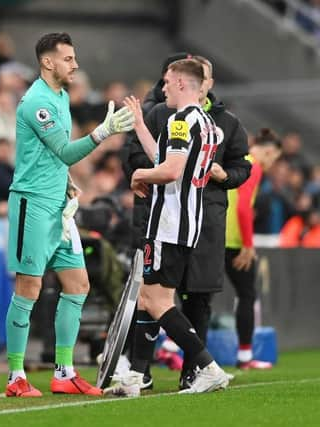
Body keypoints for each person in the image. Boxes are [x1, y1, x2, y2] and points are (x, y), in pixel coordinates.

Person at [4, 32, 134, 398]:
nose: (75, 65)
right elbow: (62, 149)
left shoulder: (61, 96)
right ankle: (16, 376)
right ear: (48, 62)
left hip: (58, 206)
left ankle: (64, 372)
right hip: (32, 204)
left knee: (78, 285)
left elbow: (51, 160)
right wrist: (104, 132)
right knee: (28, 287)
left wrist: (66, 183)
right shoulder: (36, 102)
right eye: (68, 59)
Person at [126, 55, 252, 389]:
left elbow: (169, 170)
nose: (163, 87)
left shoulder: (181, 121)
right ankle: (137, 375)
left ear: (182, 83)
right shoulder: (207, 124)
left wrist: (138, 174)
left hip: (168, 222)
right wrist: (140, 125)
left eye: (167, 81)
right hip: (187, 221)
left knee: (157, 302)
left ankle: (206, 365)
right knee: (148, 299)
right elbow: (166, 158)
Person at [222, 128, 282, 369]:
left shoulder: (236, 160)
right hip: (234, 241)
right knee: (247, 295)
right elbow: (244, 208)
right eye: (274, 159)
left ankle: (174, 348)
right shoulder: (253, 166)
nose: (272, 164)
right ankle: (245, 356)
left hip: (215, 236)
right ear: (268, 152)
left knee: (197, 295)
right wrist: (248, 245)